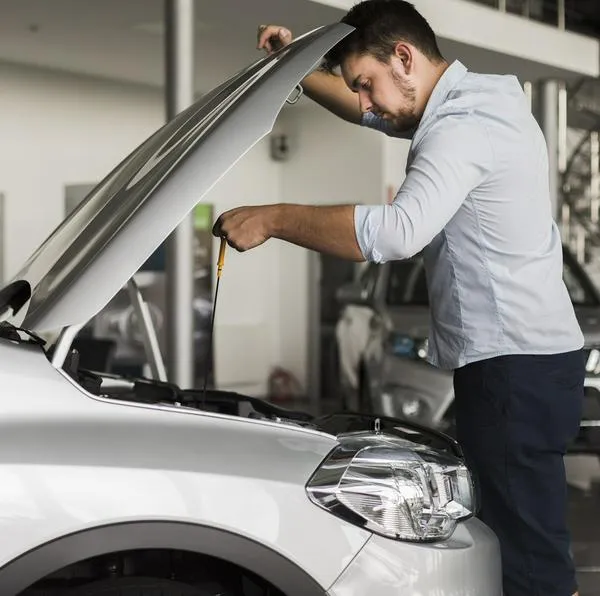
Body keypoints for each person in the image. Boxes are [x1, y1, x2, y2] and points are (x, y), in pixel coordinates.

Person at [212, 2, 585, 594]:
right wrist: (294, 70)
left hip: (514, 365)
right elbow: (374, 116)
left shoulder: (462, 126)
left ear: (404, 57)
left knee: (527, 559)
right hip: (524, 359)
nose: (366, 103)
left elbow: (396, 232)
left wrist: (274, 217)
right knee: (511, 539)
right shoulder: (477, 100)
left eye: (367, 83)